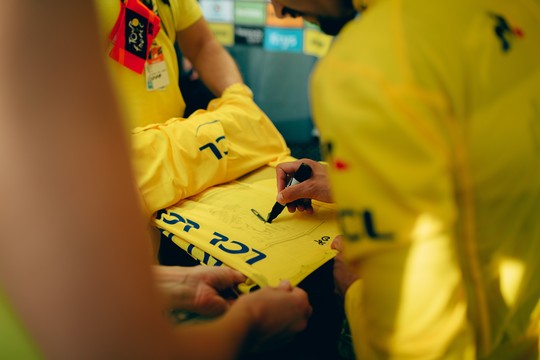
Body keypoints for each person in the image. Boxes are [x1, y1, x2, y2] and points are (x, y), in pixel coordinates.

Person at [0, 1, 311, 358]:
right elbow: (119, 344)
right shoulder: (47, 13)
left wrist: (238, 97)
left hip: (163, 179)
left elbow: (203, 43)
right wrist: (254, 322)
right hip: (105, 183)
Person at [271, 0, 540, 358]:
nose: (278, 10)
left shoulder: (366, 63)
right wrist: (364, 180)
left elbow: (412, 341)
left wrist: (355, 290)